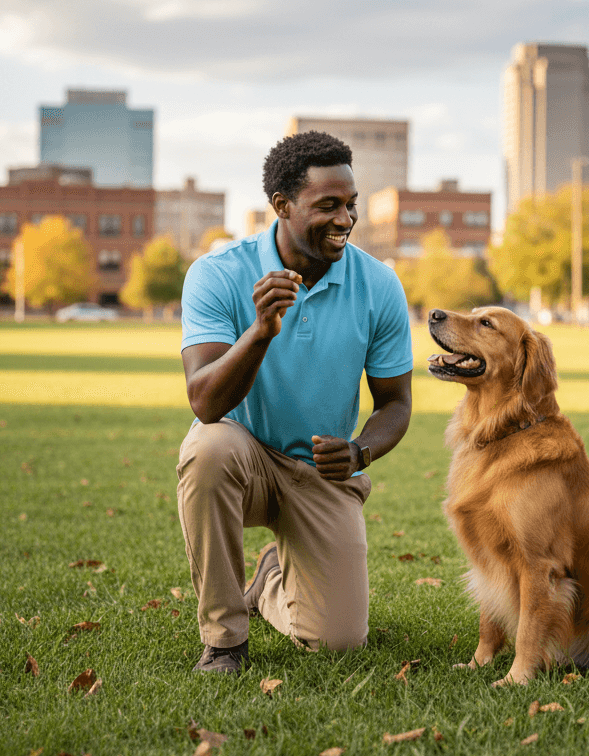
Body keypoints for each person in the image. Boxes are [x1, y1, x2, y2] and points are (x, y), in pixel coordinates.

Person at [177, 131, 414, 673]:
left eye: (351, 204)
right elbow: (205, 403)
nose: (345, 219)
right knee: (207, 448)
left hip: (321, 471)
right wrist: (260, 332)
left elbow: (396, 404)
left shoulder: (378, 285)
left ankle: (268, 585)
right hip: (242, 460)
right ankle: (224, 639)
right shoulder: (218, 273)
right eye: (327, 206)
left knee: (338, 642)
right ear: (282, 205)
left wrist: (359, 452)